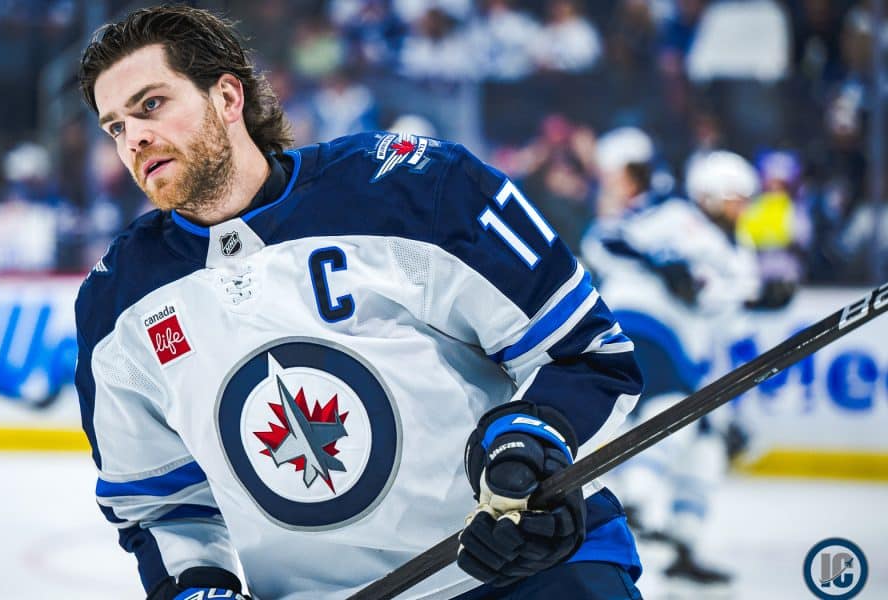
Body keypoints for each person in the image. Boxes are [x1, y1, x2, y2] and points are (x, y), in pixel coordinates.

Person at [74, 6, 644, 599]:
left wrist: (533, 446)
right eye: (115, 127)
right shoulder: (117, 305)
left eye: (151, 105)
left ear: (227, 97)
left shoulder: (415, 188)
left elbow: (586, 353)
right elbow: (159, 505)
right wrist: (196, 589)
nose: (134, 138)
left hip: (530, 568)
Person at [581, 147, 769, 592]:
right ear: (708, 195)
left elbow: (728, 319)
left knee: (707, 444)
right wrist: (660, 264)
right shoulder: (672, 216)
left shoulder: (741, 252)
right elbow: (602, 240)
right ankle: (636, 500)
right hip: (639, 323)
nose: (740, 209)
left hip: (684, 347)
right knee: (673, 408)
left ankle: (682, 544)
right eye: (734, 199)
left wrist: (763, 300)